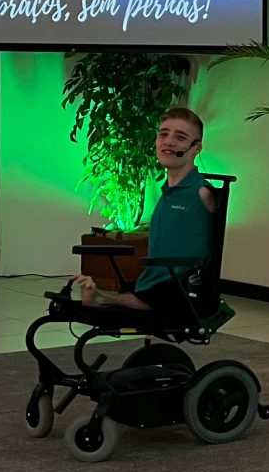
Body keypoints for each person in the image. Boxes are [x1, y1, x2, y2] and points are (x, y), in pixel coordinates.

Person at [75, 107, 216, 323]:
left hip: (182, 287)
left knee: (152, 294)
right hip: (153, 281)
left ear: (196, 147)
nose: (168, 142)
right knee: (137, 288)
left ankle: (105, 299)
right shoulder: (167, 191)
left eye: (180, 137)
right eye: (163, 134)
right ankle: (110, 298)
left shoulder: (202, 192)